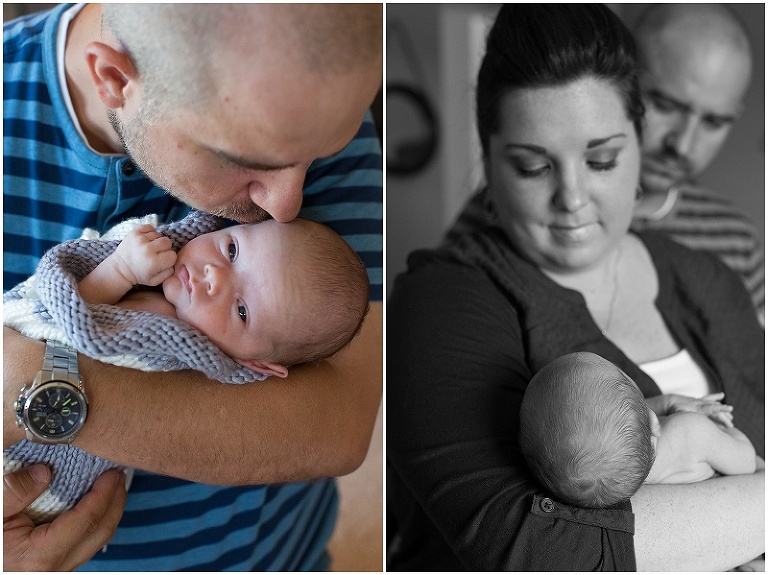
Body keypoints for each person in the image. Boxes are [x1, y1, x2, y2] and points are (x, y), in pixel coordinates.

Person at [4, 3, 382, 571]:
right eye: (244, 159)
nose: (286, 207)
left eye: (314, 159)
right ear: (114, 78)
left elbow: (337, 426)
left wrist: (23, 383)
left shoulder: (315, 102)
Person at [387, 4, 764, 571]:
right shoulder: (441, 298)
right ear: (489, 162)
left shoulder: (711, 277)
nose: (573, 198)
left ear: (638, 144)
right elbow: (527, 547)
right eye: (534, 167)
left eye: (602, 159)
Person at [5, 212, 370, 524]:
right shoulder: (165, 253)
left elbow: (78, 329)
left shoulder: (177, 342)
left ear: (254, 363)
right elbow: (58, 308)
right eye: (232, 250)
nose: (214, 275)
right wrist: (119, 260)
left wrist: (120, 270)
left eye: (242, 310)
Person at [445, 3, 764, 322]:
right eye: (665, 105)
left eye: (714, 122)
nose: (682, 144)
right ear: (623, 85)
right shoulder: (500, 219)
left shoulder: (738, 241)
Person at [519, 352, 756, 509]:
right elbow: (747, 463)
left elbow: (619, 422)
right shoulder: (692, 432)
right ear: (653, 421)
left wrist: (668, 402)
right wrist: (724, 428)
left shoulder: (611, 482)